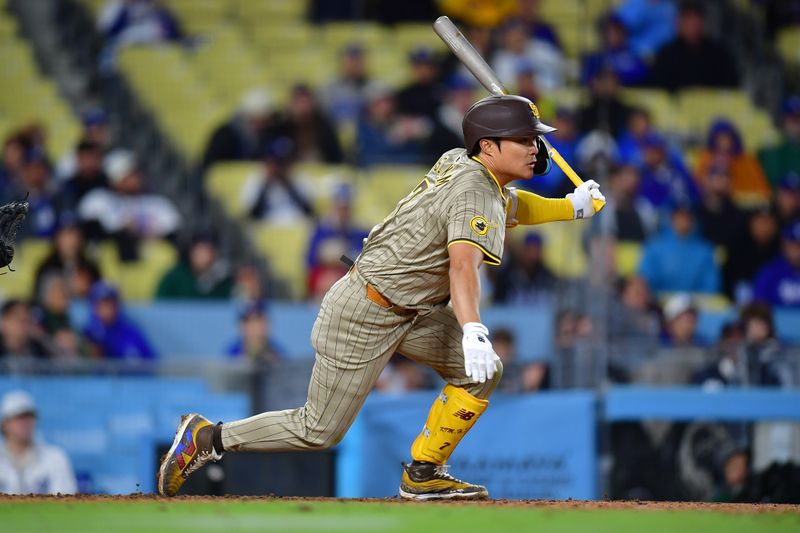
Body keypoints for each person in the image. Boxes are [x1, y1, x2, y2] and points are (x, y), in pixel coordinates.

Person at [157, 93, 606, 500]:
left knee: (480, 375)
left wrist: (571, 206)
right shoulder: (472, 187)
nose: (536, 148)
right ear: (488, 147)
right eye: (525, 139)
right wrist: (473, 328)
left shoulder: (463, 162)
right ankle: (206, 438)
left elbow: (509, 205)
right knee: (318, 430)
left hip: (411, 311)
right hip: (364, 311)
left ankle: (424, 472)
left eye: (535, 138)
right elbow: (462, 266)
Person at [78, 149, 181, 261]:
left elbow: (172, 238)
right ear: (115, 179)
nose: (136, 177)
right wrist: (124, 231)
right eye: (129, 174)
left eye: (135, 172)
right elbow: (91, 237)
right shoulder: (98, 200)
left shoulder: (158, 204)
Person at [648, 1, 739, 91]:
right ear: (678, 23)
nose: (692, 25)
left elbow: (731, 87)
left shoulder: (719, 55)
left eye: (696, 19)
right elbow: (656, 88)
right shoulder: (666, 55)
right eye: (687, 19)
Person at [0, 391, 77, 495]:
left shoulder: (55, 457)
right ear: (5, 424)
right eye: (18, 418)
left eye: (29, 417)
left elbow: (68, 503)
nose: (25, 423)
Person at [638, 204, 721, 294]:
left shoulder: (705, 250)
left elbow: (711, 283)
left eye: (688, 218)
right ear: (671, 219)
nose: (683, 221)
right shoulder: (654, 246)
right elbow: (645, 278)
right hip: (659, 301)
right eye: (679, 217)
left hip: (696, 303)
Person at [201, 89, 279, 171]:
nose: (260, 126)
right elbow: (210, 167)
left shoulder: (275, 134)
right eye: (256, 120)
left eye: (265, 121)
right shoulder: (225, 135)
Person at [240, 138, 315, 223]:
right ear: (268, 161)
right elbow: (251, 216)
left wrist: (289, 185)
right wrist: (266, 184)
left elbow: (309, 213)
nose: (281, 167)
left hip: (296, 227)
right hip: (265, 228)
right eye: (278, 162)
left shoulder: (300, 178)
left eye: (285, 161)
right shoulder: (256, 179)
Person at [694, 120, 771, 203]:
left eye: (726, 138)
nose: (723, 142)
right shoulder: (706, 158)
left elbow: (761, 192)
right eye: (719, 138)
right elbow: (698, 186)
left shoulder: (746, 160)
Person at [33, 214, 102, 299]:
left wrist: (88, 289)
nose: (71, 241)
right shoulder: (47, 268)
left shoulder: (90, 268)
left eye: (75, 235)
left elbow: (101, 298)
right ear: (57, 239)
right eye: (65, 235)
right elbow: (39, 298)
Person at [82, 282, 156, 362]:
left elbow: (151, 362)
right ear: (94, 306)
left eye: (112, 302)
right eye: (103, 303)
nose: (108, 308)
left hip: (132, 374)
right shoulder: (89, 333)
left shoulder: (131, 333)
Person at [275, 84, 343, 164]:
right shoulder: (282, 127)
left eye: (306, 102)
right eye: (299, 102)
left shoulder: (324, 126)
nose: (303, 107)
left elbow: (336, 157)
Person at [723, 207, 780, 302]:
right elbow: (727, 281)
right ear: (751, 223)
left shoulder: (781, 249)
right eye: (760, 222)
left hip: (773, 303)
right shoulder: (737, 247)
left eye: (769, 223)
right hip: (738, 302)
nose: (764, 228)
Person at [155, 233, 233, 300]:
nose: (203, 256)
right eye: (199, 251)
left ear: (215, 254)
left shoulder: (222, 280)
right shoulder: (175, 276)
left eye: (207, 251)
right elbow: (161, 303)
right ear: (191, 252)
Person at [582, 14, 649, 86]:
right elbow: (587, 79)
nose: (613, 35)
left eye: (617, 31)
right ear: (602, 34)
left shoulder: (634, 55)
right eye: (609, 32)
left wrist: (616, 77)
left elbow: (643, 75)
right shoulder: (594, 58)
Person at [491, 232, 556, 304]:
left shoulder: (548, 277)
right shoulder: (506, 275)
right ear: (523, 250)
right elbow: (497, 304)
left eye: (536, 250)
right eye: (529, 249)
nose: (532, 255)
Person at [753, 221, 800, 307]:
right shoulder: (770, 272)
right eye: (794, 245)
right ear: (784, 244)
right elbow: (759, 306)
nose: (798, 251)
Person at [577, 69, 634, 138]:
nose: (606, 87)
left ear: (617, 85)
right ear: (595, 84)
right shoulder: (584, 113)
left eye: (610, 83)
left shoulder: (625, 112)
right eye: (603, 83)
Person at [758, 96, 800, 188]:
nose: (796, 124)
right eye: (792, 119)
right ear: (784, 121)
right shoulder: (772, 152)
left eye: (798, 119)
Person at [395, 47, 444, 120]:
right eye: (419, 66)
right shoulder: (405, 95)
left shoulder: (445, 89)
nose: (424, 70)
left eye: (428, 66)